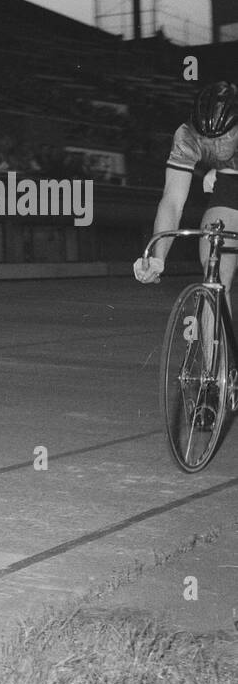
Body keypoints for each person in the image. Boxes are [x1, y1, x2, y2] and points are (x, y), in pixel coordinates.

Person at [135, 82, 238, 430]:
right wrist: (158, 255)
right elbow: (173, 201)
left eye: (223, 139)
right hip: (230, 187)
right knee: (214, 256)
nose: (214, 147)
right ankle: (212, 383)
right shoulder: (187, 136)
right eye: (207, 140)